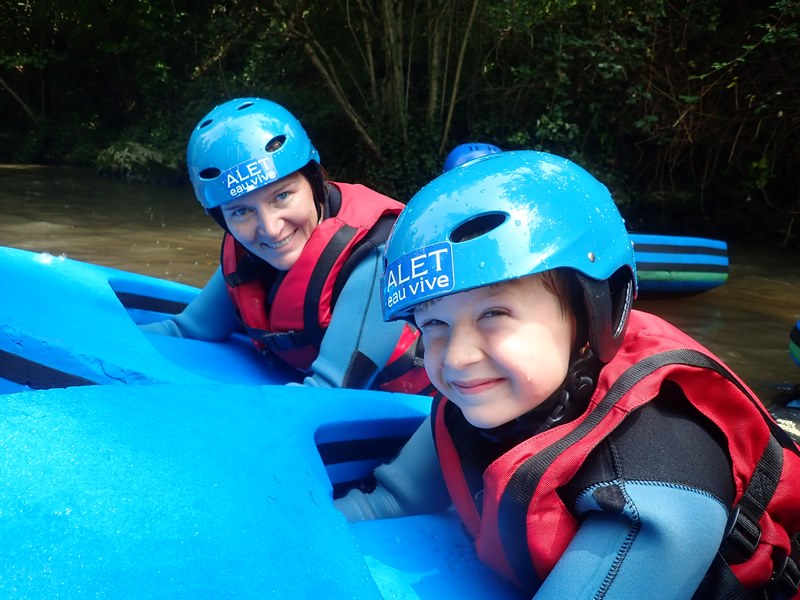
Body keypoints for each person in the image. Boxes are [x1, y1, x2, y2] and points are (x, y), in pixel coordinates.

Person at [335, 150, 800, 598]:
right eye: (433, 324)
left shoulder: (659, 474)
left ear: (590, 318)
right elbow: (388, 502)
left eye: (494, 313)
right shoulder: (474, 399)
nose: (456, 358)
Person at [140, 97, 431, 393]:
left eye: (282, 196)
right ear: (222, 219)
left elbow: (328, 391)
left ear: (315, 181)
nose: (271, 229)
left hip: (416, 413)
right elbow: (186, 329)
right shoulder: (247, 252)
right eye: (241, 211)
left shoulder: (375, 257)